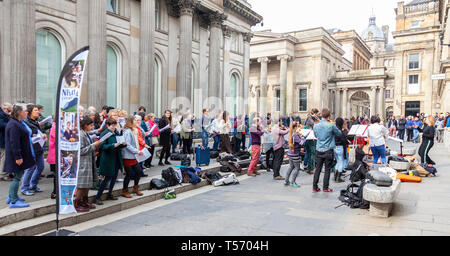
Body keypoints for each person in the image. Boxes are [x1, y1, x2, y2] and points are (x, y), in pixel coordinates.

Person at [4, 104, 36, 208]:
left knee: (17, 176)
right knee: (17, 177)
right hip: (16, 156)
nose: (27, 112)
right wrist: (18, 157)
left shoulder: (17, 123)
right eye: (25, 111)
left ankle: (12, 196)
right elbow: (14, 142)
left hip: (18, 155)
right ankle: (13, 201)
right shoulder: (14, 124)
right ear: (19, 112)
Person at [95, 118, 127, 205]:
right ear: (107, 125)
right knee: (107, 178)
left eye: (115, 125)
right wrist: (113, 145)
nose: (114, 127)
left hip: (116, 158)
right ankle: (98, 197)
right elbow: (102, 146)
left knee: (114, 178)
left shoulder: (116, 132)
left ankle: (110, 194)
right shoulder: (104, 133)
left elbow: (119, 144)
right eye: (112, 125)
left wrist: (123, 144)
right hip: (108, 159)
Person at [75, 116, 103, 212]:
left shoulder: (85, 133)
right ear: (85, 125)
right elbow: (81, 150)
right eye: (90, 125)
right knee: (81, 185)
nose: (92, 127)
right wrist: (93, 145)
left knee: (87, 184)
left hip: (88, 161)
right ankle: (77, 203)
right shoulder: (81, 135)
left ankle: (84, 201)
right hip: (83, 162)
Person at [312, 109, 341, 193]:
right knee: (327, 169)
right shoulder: (331, 125)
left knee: (318, 169)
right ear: (328, 116)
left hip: (319, 149)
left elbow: (315, 135)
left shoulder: (316, 126)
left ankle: (314, 187)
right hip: (328, 150)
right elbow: (339, 133)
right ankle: (325, 188)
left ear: (321, 116)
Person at [21, 105, 46, 196]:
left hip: (39, 147)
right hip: (31, 148)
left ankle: (33, 185)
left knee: (40, 167)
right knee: (30, 168)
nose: (38, 112)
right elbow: (26, 135)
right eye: (35, 110)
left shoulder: (36, 121)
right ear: (30, 112)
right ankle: (24, 188)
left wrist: (42, 135)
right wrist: (33, 136)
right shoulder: (26, 122)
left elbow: (37, 132)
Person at [121, 116, 144, 198]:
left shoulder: (133, 130)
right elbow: (127, 145)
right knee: (129, 174)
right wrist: (137, 151)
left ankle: (135, 188)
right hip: (127, 156)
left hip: (133, 155)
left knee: (138, 171)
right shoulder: (127, 131)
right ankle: (125, 190)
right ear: (131, 121)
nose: (137, 121)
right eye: (135, 120)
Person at [285, 121, 303, 187]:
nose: (299, 128)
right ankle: (293, 182)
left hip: (290, 153)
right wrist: (304, 137)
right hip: (295, 154)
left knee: (291, 167)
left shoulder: (291, 134)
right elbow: (302, 143)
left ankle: (286, 181)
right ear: (295, 127)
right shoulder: (295, 135)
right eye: (298, 126)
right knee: (297, 168)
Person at [303, 109, 319, 174]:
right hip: (311, 138)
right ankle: (311, 168)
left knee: (309, 153)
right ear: (314, 113)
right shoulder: (310, 119)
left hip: (307, 138)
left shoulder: (307, 119)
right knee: (312, 154)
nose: (317, 115)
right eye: (317, 114)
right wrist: (316, 119)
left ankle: (309, 168)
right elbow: (315, 126)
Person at [333, 118, 348, 183]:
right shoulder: (340, 131)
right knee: (341, 162)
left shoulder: (334, 130)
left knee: (338, 162)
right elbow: (344, 140)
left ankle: (335, 176)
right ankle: (338, 178)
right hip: (340, 147)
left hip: (334, 147)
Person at [1, 102, 13, 182]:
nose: (10, 111)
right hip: (2, 139)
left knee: (6, 156)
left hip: (5, 139)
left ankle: (7, 172)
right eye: (9, 110)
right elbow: (2, 125)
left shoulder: (5, 115)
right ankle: (2, 174)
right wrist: (11, 124)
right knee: (3, 157)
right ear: (5, 109)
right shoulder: (1, 115)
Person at [46, 116, 57, 199]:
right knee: (56, 175)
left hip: (55, 155)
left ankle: (56, 191)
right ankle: (54, 192)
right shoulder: (55, 126)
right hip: (55, 155)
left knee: (57, 174)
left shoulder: (55, 126)